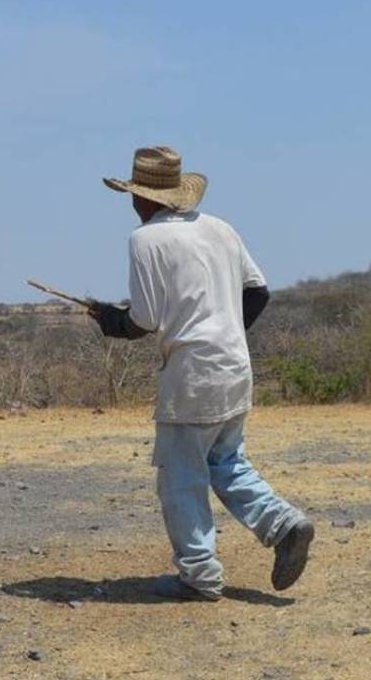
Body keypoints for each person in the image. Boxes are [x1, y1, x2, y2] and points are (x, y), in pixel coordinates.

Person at [91, 146, 313, 602]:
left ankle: (198, 575)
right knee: (226, 461)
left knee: (181, 475)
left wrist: (110, 320)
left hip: (191, 376)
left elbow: (146, 320)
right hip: (234, 366)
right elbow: (259, 292)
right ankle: (284, 525)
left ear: (141, 196)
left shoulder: (145, 240)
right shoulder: (221, 229)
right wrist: (225, 330)